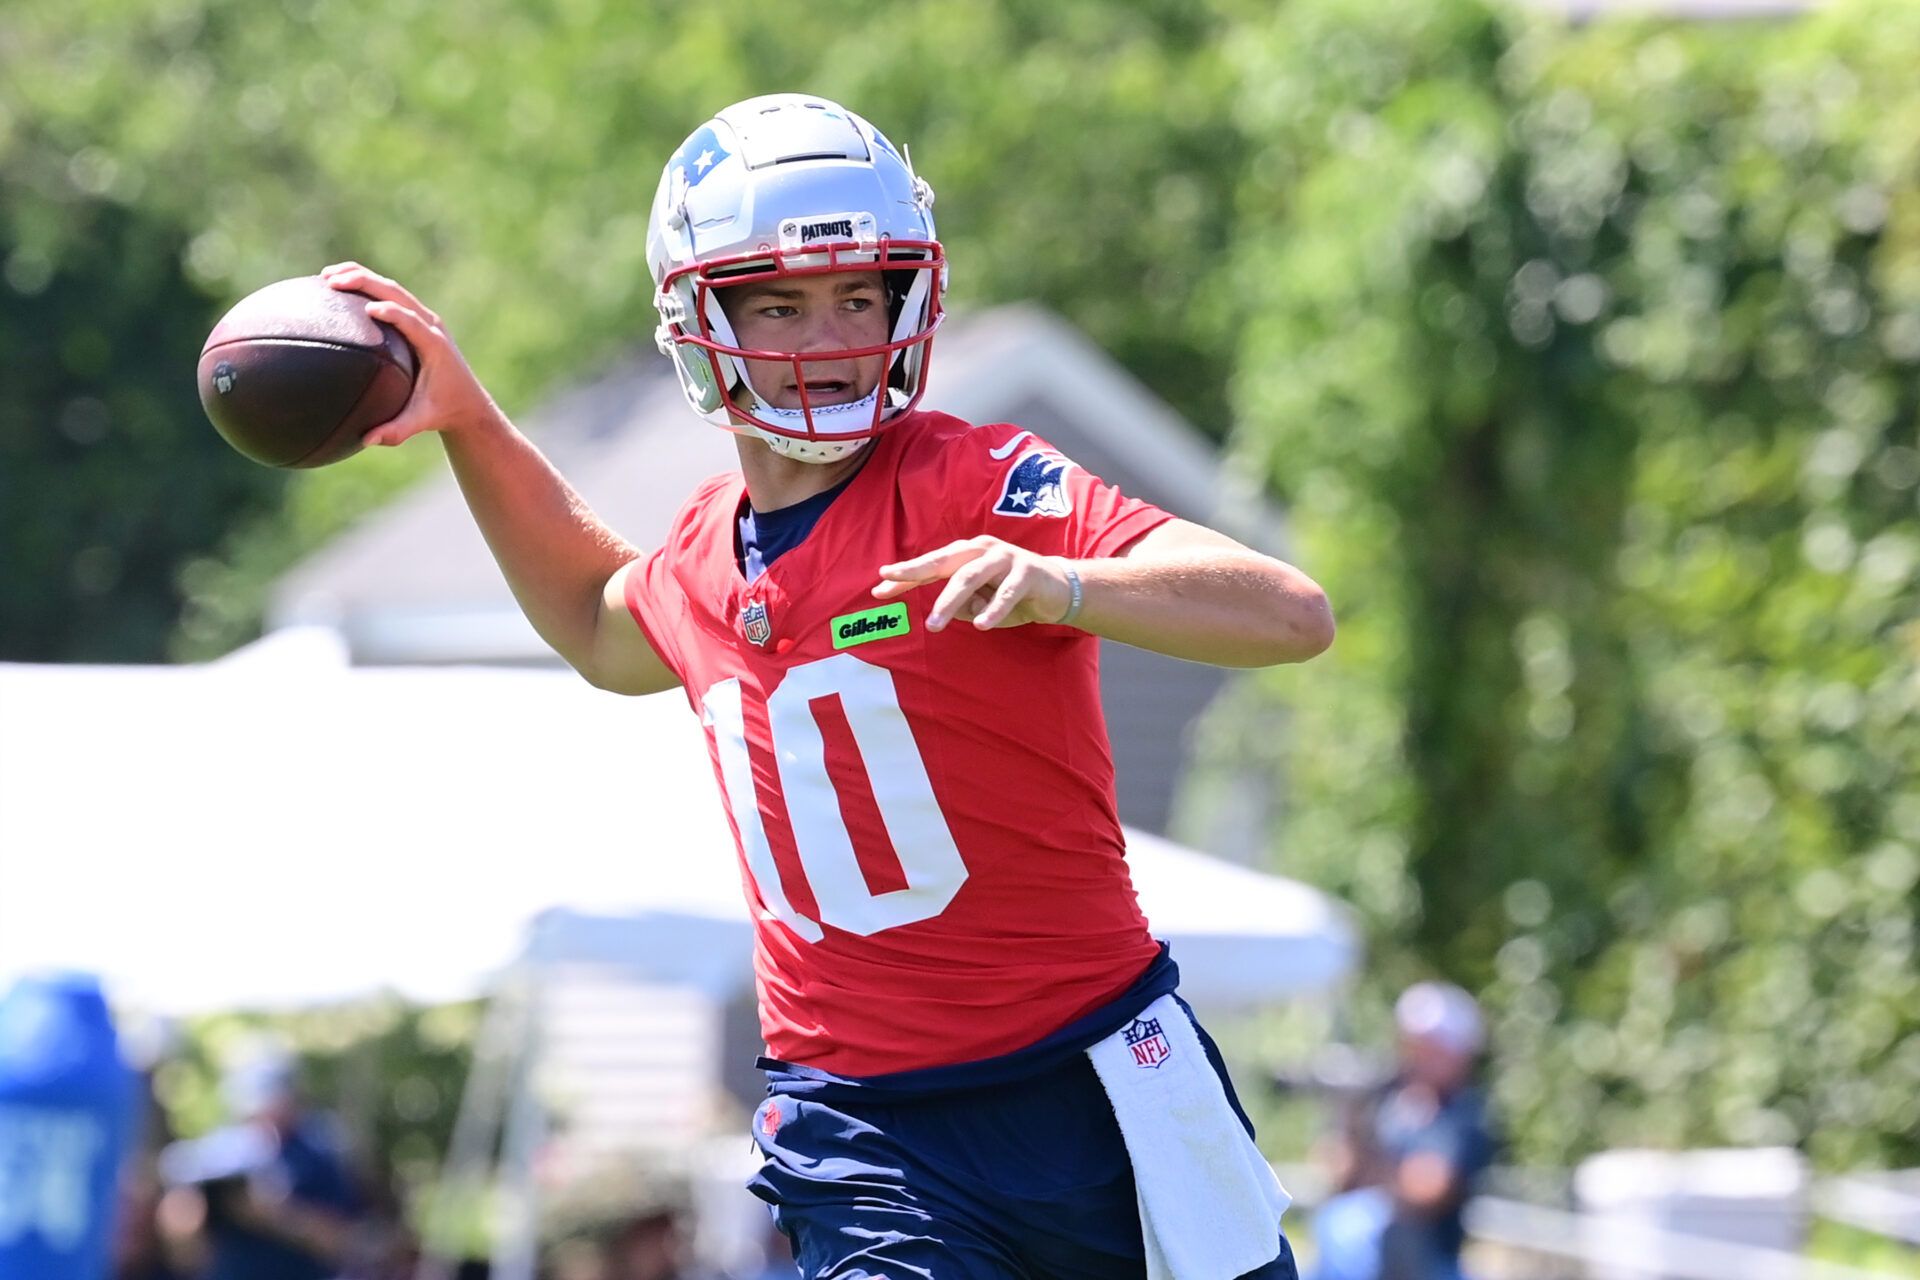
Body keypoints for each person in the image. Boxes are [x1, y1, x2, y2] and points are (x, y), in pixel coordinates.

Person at [320, 91, 1335, 1280]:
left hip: (1097, 1079)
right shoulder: (705, 553)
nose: (833, 334)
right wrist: (469, 422)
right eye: (784, 304)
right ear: (700, 318)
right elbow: (601, 626)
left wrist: (1062, 583)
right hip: (865, 1122)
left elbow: (1289, 613)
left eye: (859, 295)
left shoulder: (974, 478)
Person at [1308, 983, 1498, 1280]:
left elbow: (1428, 1190)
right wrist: (1350, 1118)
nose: (1416, 1055)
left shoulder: (1465, 1115)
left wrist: (1374, 1164)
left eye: (1431, 1046)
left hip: (1431, 1264)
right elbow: (1338, 1171)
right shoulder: (1386, 1098)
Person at [156, 1041, 367, 1280]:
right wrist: (187, 1216)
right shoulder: (218, 1154)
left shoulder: (317, 1153)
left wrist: (275, 1215)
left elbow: (342, 1241)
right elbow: (182, 1247)